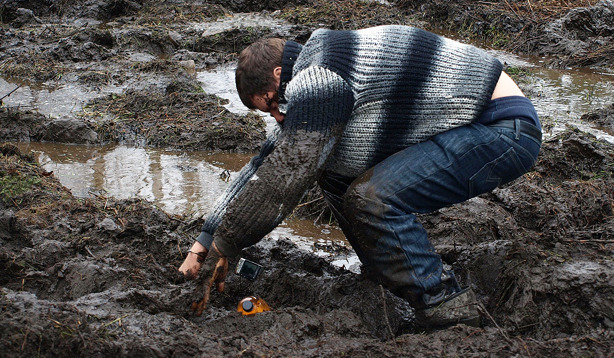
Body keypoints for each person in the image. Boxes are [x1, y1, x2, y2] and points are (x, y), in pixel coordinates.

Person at [182, 25, 542, 329]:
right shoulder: (313, 80)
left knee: (372, 198)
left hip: (503, 129)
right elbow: (264, 165)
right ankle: (387, 274)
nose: (277, 116)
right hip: (473, 127)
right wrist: (204, 241)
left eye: (272, 103)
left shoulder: (321, 75)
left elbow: (289, 172)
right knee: (334, 174)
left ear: (279, 74)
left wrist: (227, 245)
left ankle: (446, 305)